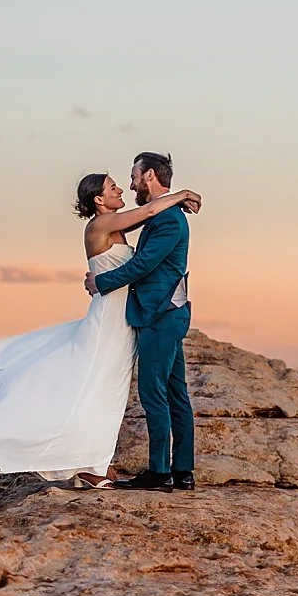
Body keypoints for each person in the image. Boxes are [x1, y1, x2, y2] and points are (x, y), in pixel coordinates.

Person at [0, 167, 200, 485]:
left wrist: (173, 200)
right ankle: (94, 462)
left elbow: (147, 227)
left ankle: (96, 461)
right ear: (98, 199)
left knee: (108, 388)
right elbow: (146, 215)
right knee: (95, 384)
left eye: (126, 181)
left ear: (147, 176)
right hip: (111, 317)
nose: (122, 188)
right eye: (113, 187)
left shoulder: (140, 221)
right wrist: (183, 194)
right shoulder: (103, 224)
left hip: (133, 315)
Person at [83, 151, 195, 491]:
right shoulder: (163, 216)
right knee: (176, 393)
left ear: (148, 177)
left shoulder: (168, 220)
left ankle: (160, 472)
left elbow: (142, 265)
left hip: (160, 313)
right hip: (164, 312)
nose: (130, 185)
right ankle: (183, 471)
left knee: (153, 393)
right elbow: (142, 216)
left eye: (133, 178)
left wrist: (100, 283)